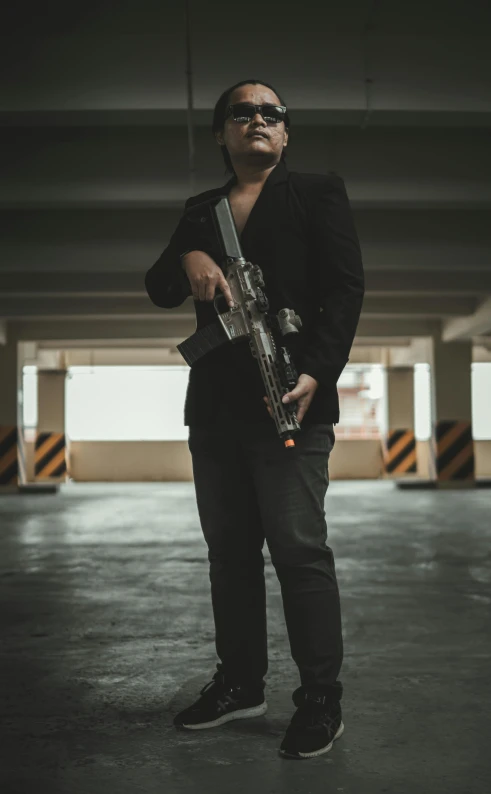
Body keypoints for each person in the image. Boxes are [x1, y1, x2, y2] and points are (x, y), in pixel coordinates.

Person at [145, 79, 365, 760]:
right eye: (242, 113)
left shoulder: (316, 191)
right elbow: (158, 287)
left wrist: (314, 372)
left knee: (299, 553)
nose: (258, 120)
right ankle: (241, 684)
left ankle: (320, 698)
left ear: (285, 133)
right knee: (229, 557)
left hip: (289, 399)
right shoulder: (199, 211)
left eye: (272, 113)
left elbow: (344, 287)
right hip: (215, 409)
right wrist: (189, 255)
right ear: (222, 133)